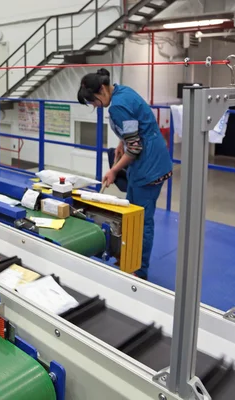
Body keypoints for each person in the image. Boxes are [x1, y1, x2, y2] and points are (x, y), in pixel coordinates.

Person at [77, 68, 172, 280]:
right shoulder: (122, 91)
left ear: (101, 90)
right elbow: (134, 126)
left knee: (141, 220)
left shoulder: (118, 106)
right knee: (130, 215)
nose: (94, 106)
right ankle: (128, 257)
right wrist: (122, 142)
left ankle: (139, 270)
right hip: (150, 160)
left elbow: (136, 147)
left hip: (148, 167)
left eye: (93, 101)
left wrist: (113, 170)